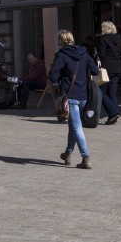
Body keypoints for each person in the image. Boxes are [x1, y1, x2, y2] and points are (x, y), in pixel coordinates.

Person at [49, 29, 100, 169]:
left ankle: (86, 157)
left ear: (60, 41)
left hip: (69, 96)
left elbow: (53, 74)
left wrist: (57, 82)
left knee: (77, 126)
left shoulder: (61, 55)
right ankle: (68, 153)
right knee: (72, 125)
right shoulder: (83, 52)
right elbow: (95, 71)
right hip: (84, 95)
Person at [97, 21, 121, 124]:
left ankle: (113, 113)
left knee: (101, 91)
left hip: (107, 69)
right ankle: (112, 117)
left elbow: (102, 54)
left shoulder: (103, 39)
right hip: (117, 68)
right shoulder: (118, 39)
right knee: (112, 93)